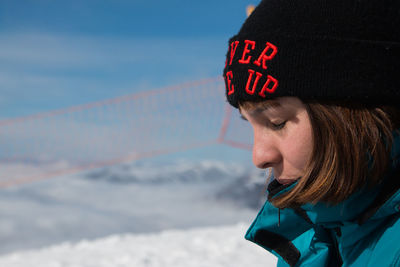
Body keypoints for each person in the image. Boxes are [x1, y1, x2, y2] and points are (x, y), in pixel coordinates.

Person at [223, 0, 400, 266]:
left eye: (277, 121)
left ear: (350, 113)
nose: (259, 156)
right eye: (250, 125)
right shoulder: (314, 233)